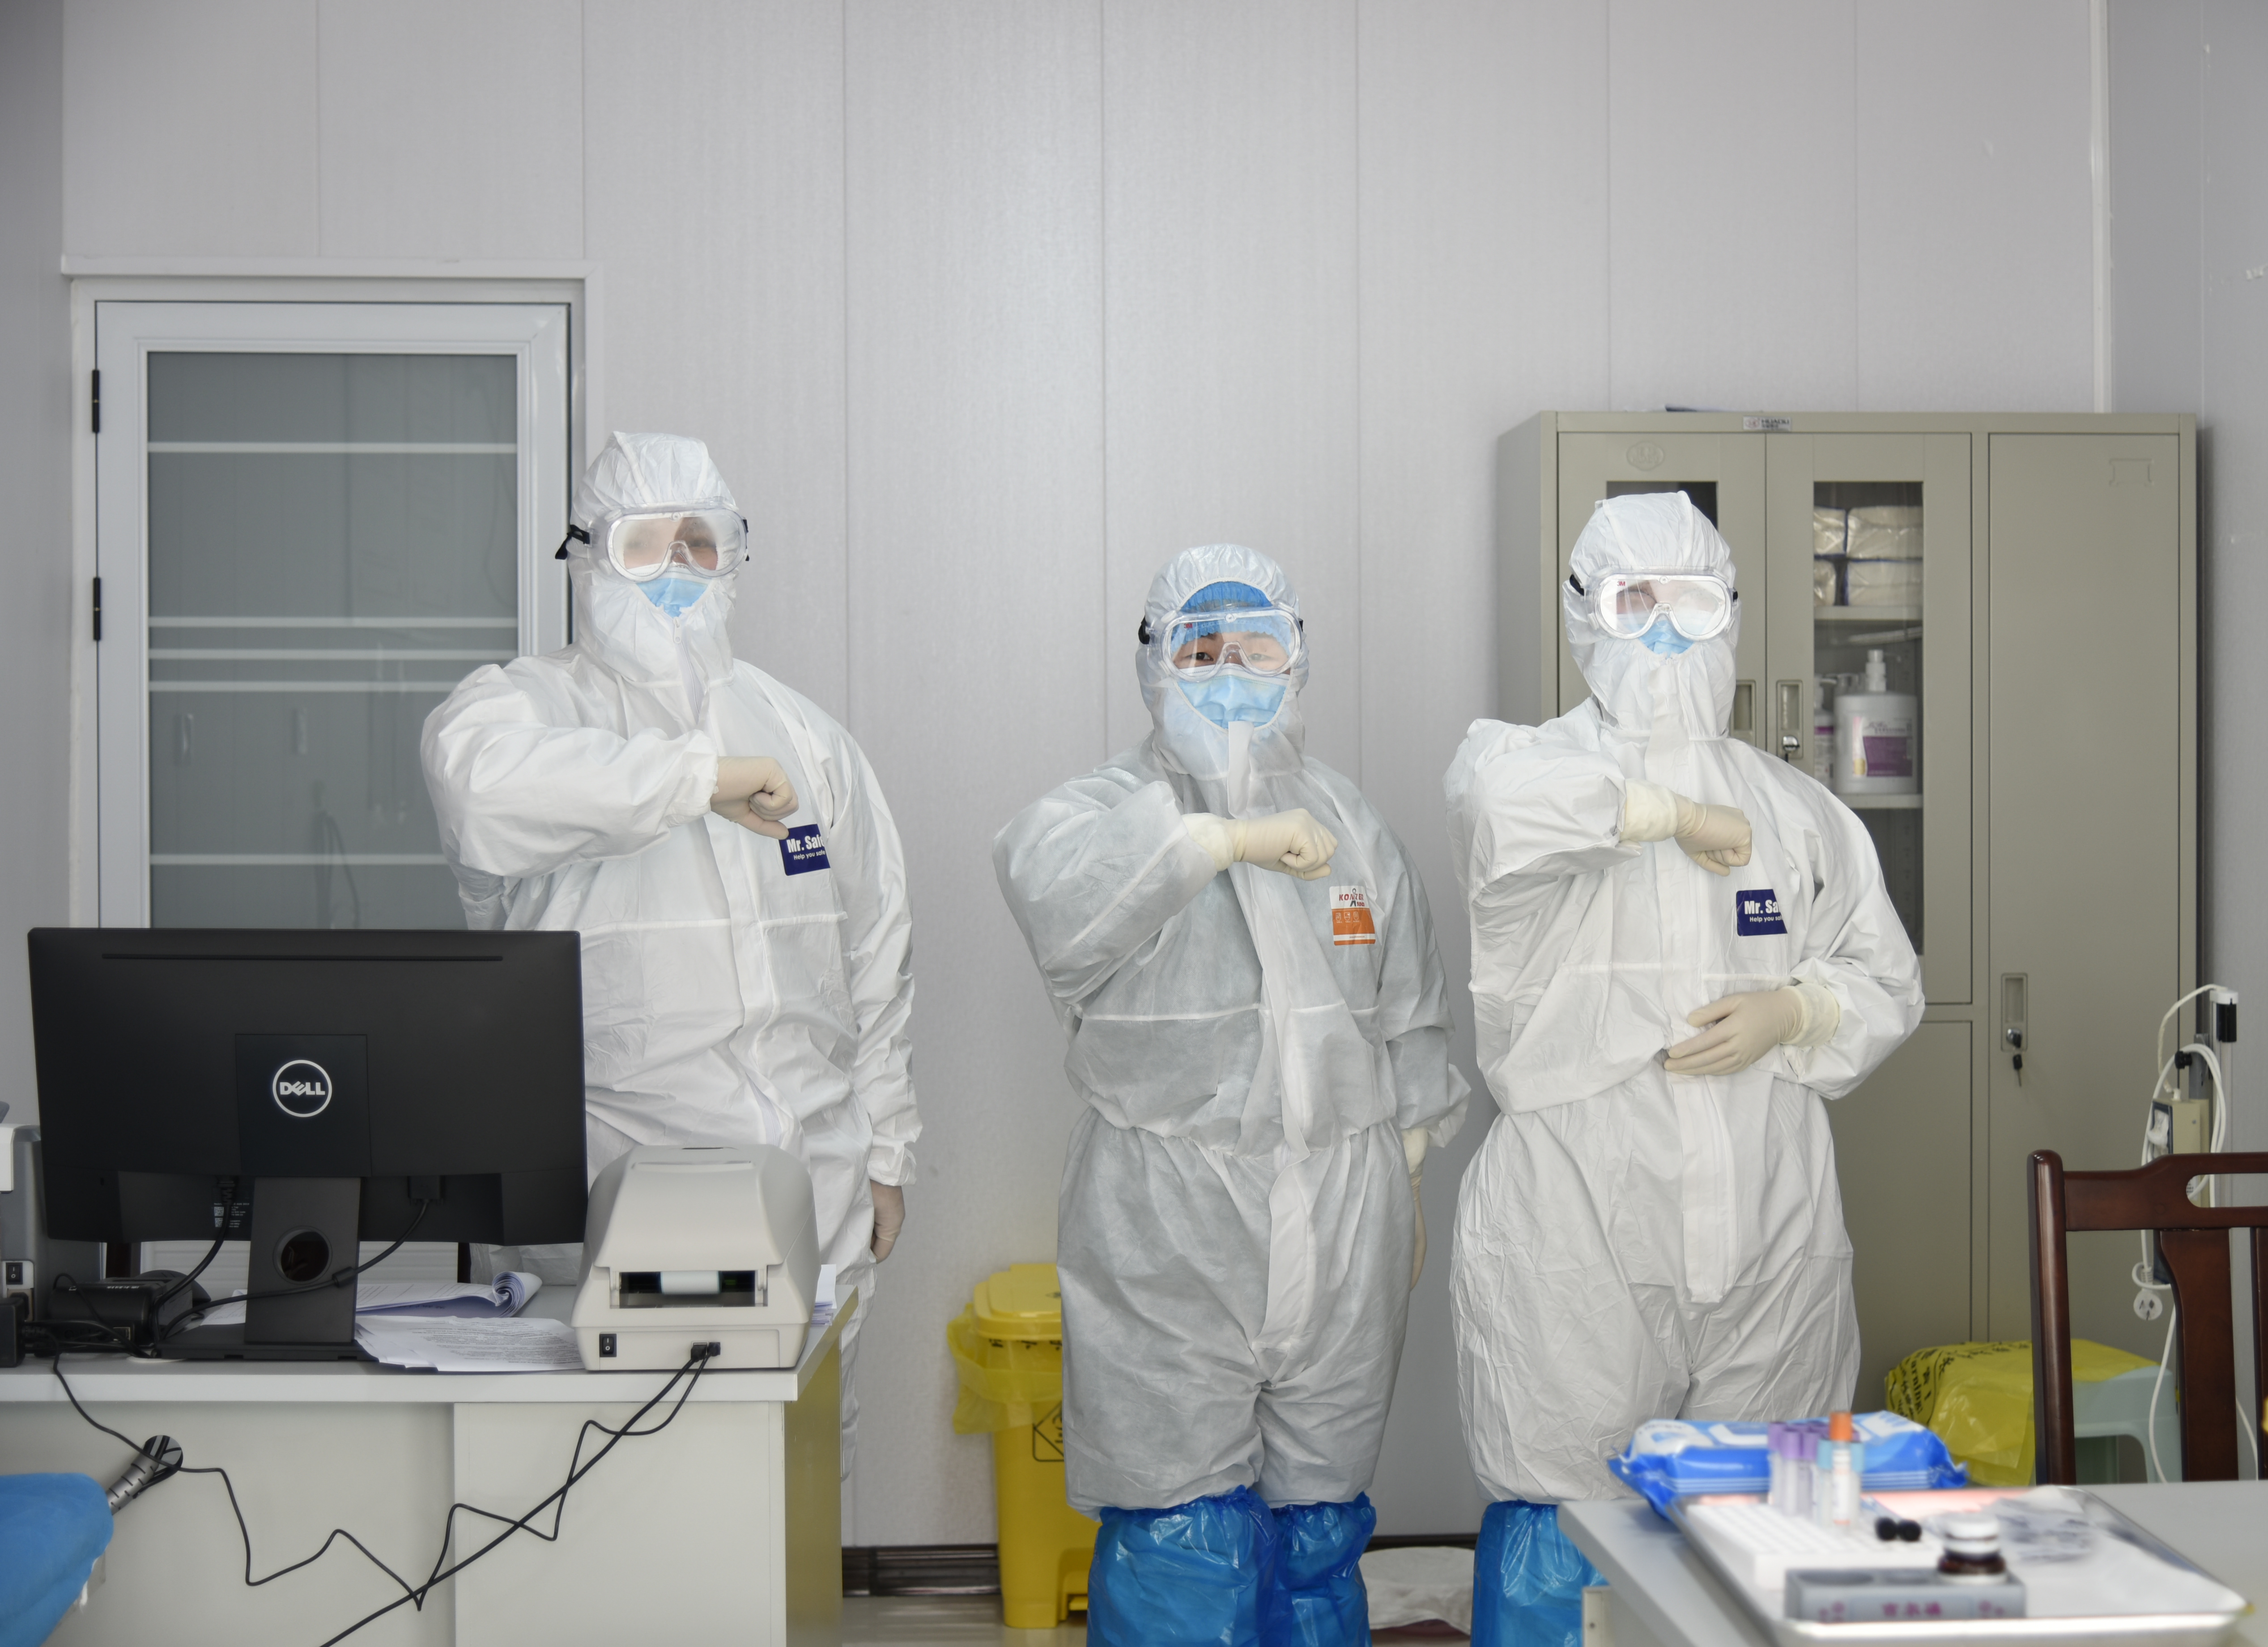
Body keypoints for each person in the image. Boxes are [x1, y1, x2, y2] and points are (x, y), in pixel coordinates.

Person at [1443, 493, 1923, 1645]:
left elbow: (1886, 977)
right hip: (1580, 1221)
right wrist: (1669, 813)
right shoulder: (1524, 768)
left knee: (1762, 1515)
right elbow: (1503, 810)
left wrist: (1799, 1007)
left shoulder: (1795, 809)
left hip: (1769, 1218)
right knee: (1570, 1513)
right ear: (1583, 613)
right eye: (1632, 601)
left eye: (1691, 602)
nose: (1663, 631)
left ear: (1734, 613)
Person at [994, 545, 1468, 1647]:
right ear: (1153, 661)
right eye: (1199, 649)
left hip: (1343, 1209)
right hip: (1170, 1219)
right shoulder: (1099, 814)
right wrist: (1221, 840)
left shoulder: (1355, 828)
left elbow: (1410, 1012)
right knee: (1180, 1526)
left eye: (1257, 647)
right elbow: (1058, 902)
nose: (1229, 672)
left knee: (1319, 1518)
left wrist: (1406, 1171)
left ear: (1298, 659)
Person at [421, 431, 917, 1477]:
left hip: (812, 1190)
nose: (679, 569)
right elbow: (480, 795)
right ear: (586, 556)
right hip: (609, 1196)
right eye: (645, 544)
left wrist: (886, 1155)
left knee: (793, 1486)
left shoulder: (806, 736)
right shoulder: (528, 706)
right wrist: (699, 779)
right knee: (608, 1485)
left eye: (703, 542)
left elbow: (875, 954)